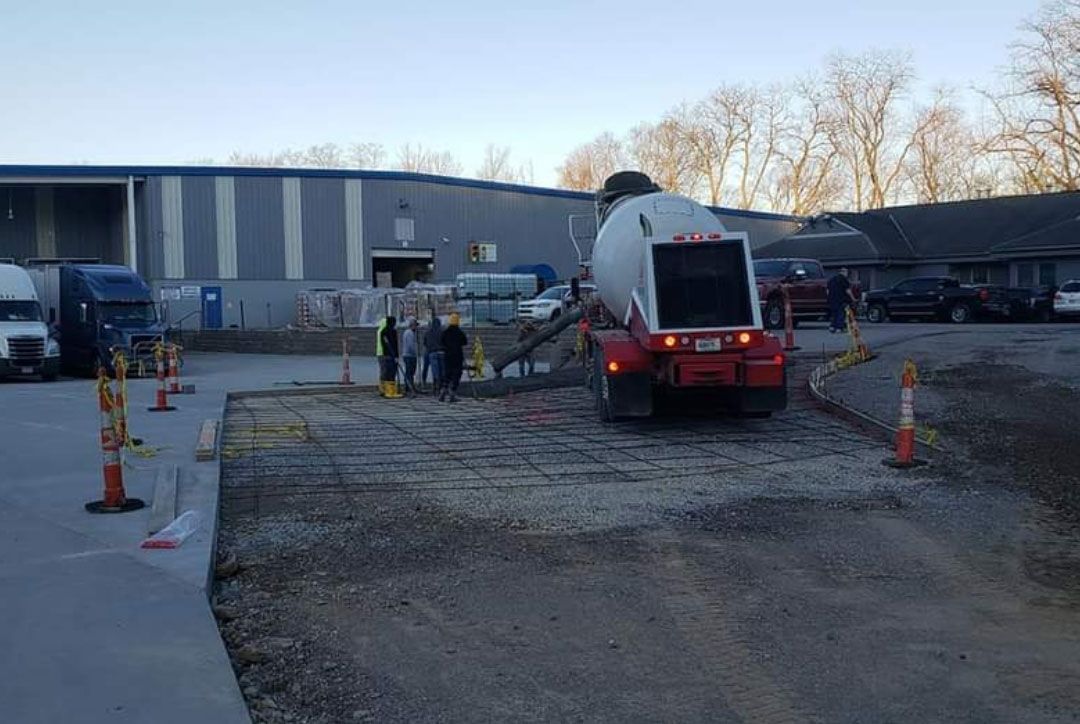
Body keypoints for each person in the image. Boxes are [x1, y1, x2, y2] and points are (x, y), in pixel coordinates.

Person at [439, 312, 468, 403]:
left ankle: (443, 390)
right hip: (457, 356)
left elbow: (441, 342)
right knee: (456, 374)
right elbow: (465, 342)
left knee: (447, 374)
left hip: (447, 356)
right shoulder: (460, 332)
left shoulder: (445, 332)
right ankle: (452, 392)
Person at [827, 267, 856, 333]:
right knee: (841, 314)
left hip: (832, 299)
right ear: (843, 272)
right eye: (846, 272)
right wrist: (853, 298)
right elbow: (847, 290)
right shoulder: (844, 279)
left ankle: (832, 327)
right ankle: (839, 328)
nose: (847, 274)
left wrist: (829, 298)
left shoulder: (832, 280)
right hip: (841, 299)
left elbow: (827, 290)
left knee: (834, 314)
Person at [422, 316, 444, 394]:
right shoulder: (442, 332)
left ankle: (435, 387)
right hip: (441, 353)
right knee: (442, 371)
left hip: (432, 353)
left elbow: (425, 343)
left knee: (435, 371)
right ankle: (441, 388)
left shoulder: (428, 332)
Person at [378, 316, 399, 395]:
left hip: (385, 354)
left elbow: (386, 344)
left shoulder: (383, 331)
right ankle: (390, 390)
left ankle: (386, 390)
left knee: (386, 373)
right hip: (390, 355)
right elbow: (394, 344)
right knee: (391, 373)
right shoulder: (392, 332)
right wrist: (396, 356)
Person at [401, 317, 419, 394]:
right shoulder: (410, 333)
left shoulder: (407, 332)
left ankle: (409, 387)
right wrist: (415, 352)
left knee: (409, 372)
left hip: (407, 355)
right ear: (412, 325)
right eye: (415, 325)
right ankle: (409, 388)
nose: (416, 327)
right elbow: (410, 345)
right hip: (410, 356)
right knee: (410, 372)